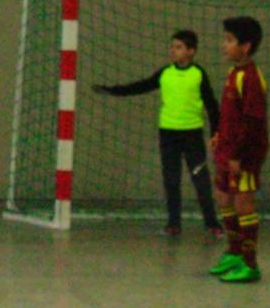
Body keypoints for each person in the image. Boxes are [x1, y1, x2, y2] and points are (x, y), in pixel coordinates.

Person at [93, 29, 223, 237]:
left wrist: (216, 132)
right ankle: (173, 224)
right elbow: (141, 86)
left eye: (178, 47)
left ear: (191, 51)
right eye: (172, 46)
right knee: (171, 181)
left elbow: (212, 105)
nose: (173, 50)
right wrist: (114, 90)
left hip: (192, 135)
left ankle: (212, 223)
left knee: (201, 180)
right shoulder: (165, 73)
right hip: (168, 135)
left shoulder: (199, 74)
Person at [208, 16, 268, 283]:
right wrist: (219, 135)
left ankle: (250, 263)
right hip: (228, 150)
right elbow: (230, 114)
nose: (224, 45)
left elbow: (252, 122)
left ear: (246, 46)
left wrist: (238, 155)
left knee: (243, 203)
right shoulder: (234, 74)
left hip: (244, 155)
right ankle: (233, 252)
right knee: (222, 197)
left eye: (230, 40)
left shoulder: (252, 78)